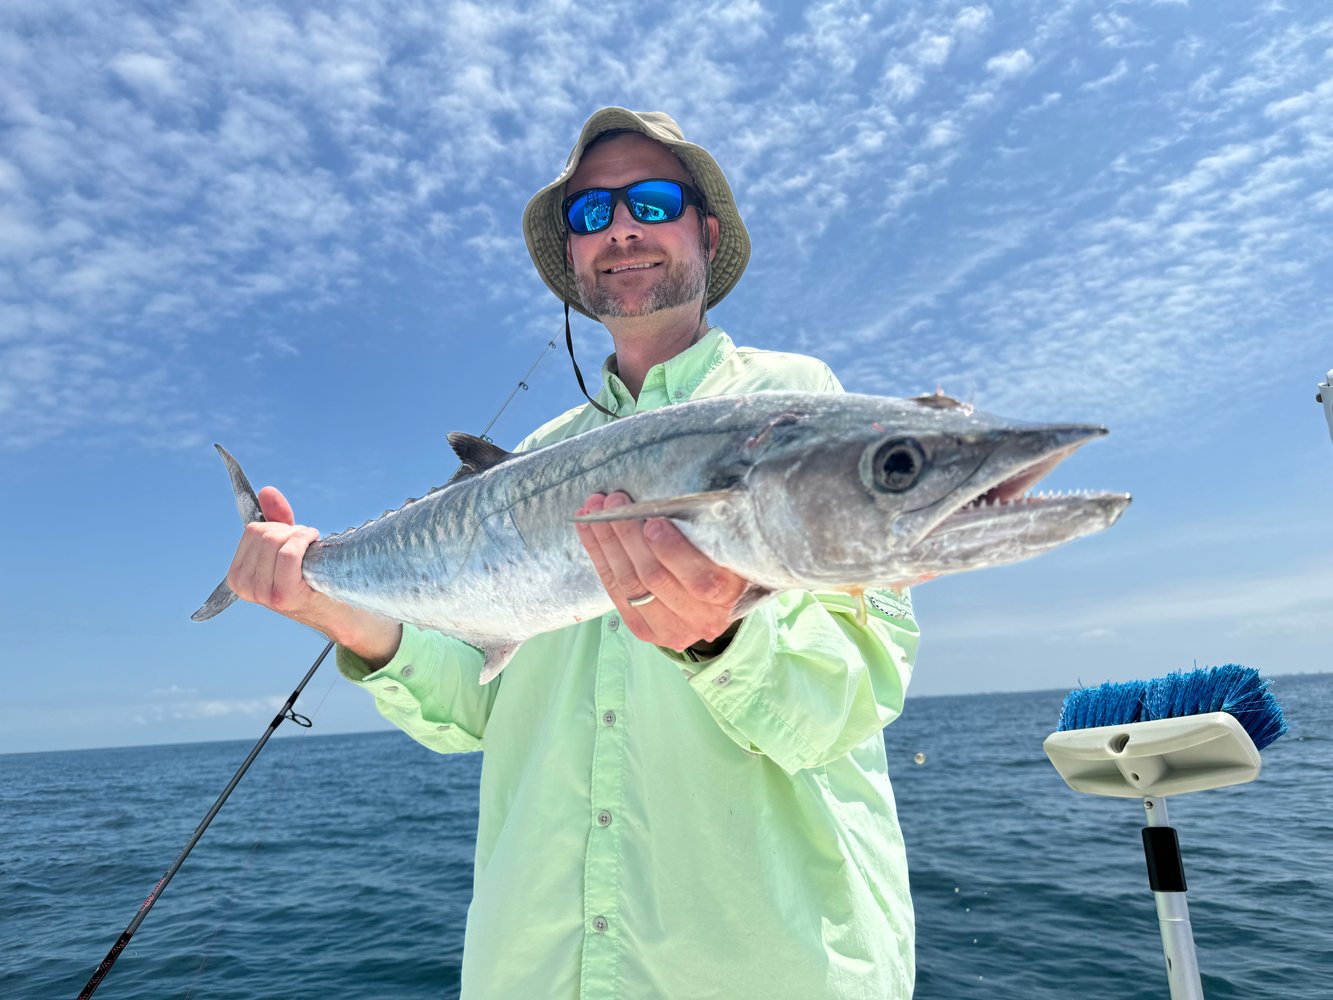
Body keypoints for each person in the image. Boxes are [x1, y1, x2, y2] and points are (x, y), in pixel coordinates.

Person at [225, 108, 922, 999]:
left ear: (704, 231)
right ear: (575, 258)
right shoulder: (536, 454)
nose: (621, 227)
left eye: (653, 200)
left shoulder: (800, 407)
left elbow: (851, 700)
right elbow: (475, 713)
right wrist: (321, 601)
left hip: (767, 967)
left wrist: (720, 638)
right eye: (591, 213)